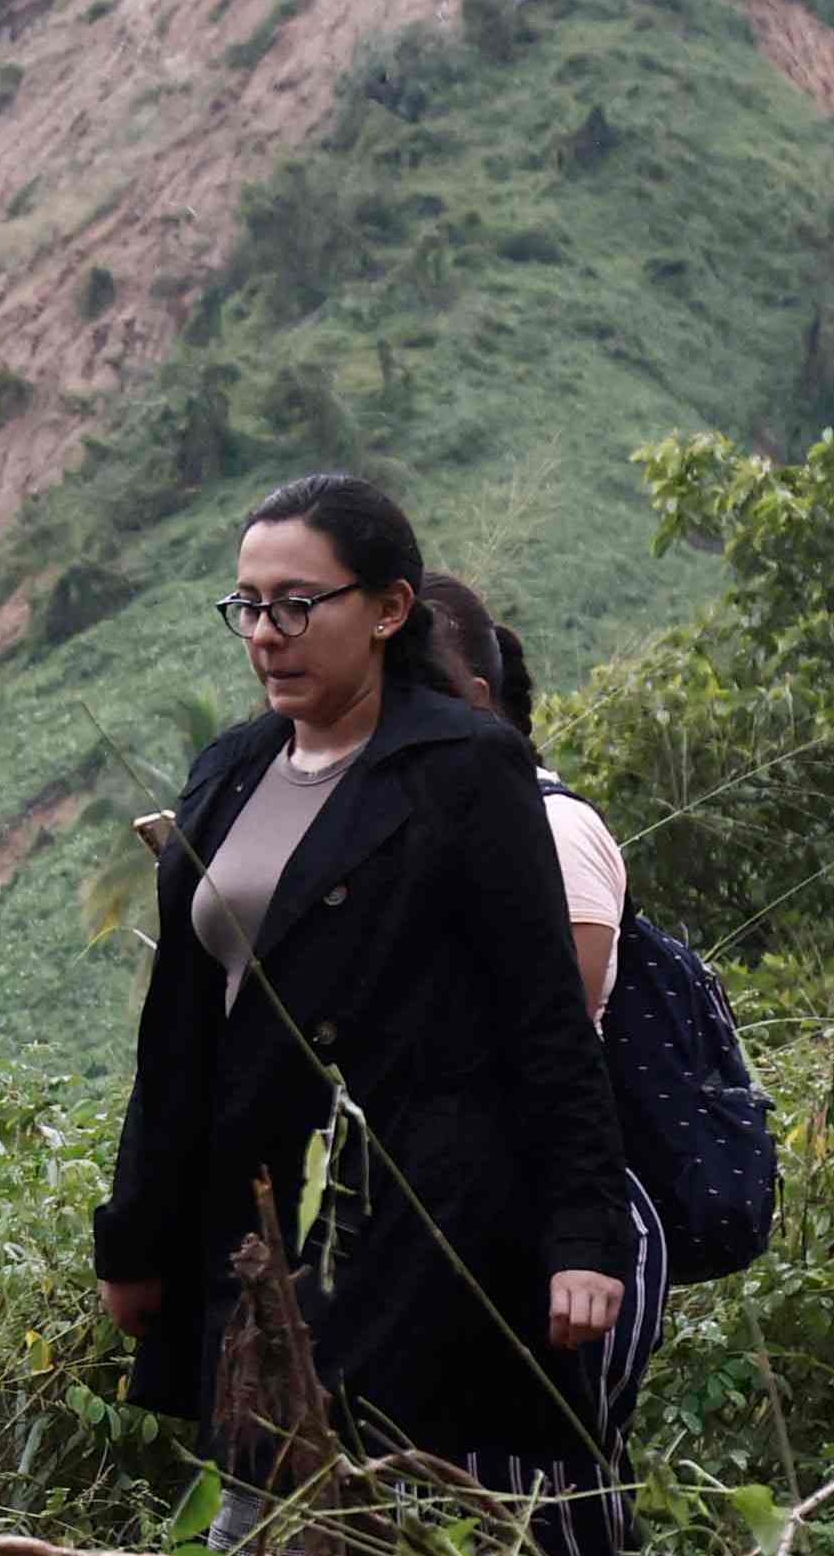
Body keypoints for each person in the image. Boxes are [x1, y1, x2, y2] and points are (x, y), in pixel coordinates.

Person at [93, 474, 631, 1552]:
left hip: (406, 1212)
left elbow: (544, 1017)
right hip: (247, 1224)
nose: (265, 633)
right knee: (256, 1487)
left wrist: (585, 1234)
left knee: (345, 1498)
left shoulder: (462, 768)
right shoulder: (232, 767)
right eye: (246, 604)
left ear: (387, 608)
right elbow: (181, 1030)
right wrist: (136, 1233)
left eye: (298, 602)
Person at [422, 570, 668, 1549]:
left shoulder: (554, 831)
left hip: (560, 1216)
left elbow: (548, 1035)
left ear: (473, 700)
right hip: (469, 1215)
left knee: (546, 1505)